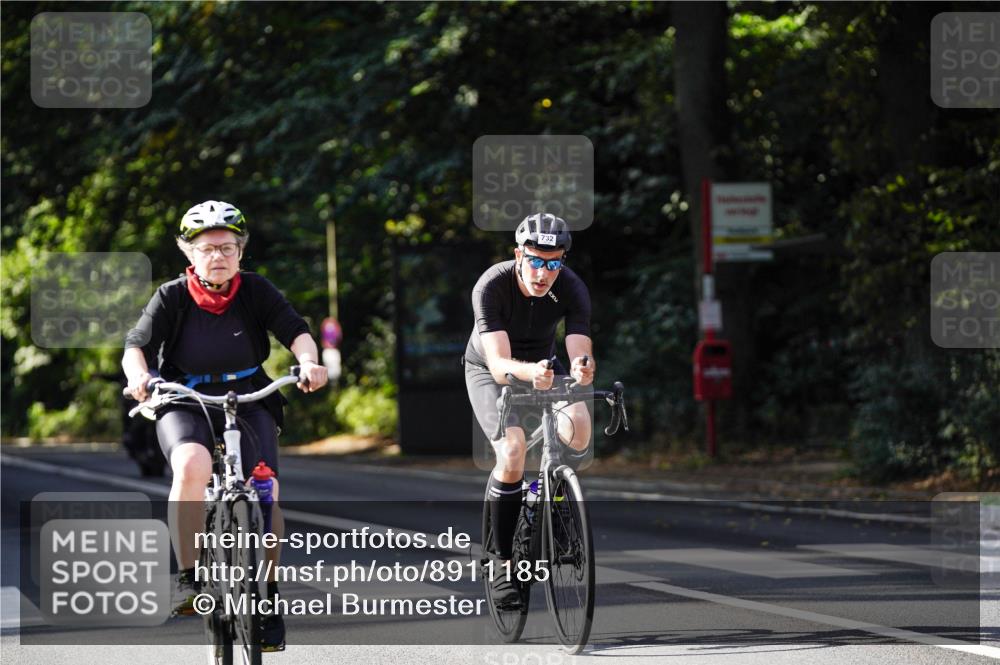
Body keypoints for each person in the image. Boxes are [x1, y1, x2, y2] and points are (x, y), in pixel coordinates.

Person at [122, 200, 328, 651]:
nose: (218, 256)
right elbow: (136, 345)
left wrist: (310, 362)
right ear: (188, 253)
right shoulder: (171, 296)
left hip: (249, 396)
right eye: (207, 248)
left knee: (267, 489)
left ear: (241, 251)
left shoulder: (256, 290)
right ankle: (189, 578)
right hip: (185, 398)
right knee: (192, 465)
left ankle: (268, 596)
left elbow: (295, 330)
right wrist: (139, 376)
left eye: (228, 247)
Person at [463, 212, 595, 607]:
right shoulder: (491, 285)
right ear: (518, 255)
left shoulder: (571, 287)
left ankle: (545, 497)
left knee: (580, 427)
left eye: (552, 263)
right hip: (491, 369)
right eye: (535, 261)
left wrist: (582, 368)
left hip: (543, 366)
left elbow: (578, 344)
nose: (543, 272)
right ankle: (501, 562)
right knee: (514, 449)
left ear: (562, 263)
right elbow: (499, 364)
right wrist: (529, 372)